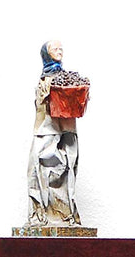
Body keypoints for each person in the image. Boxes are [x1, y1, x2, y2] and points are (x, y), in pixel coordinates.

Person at [27, 40, 87, 225]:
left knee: (67, 166)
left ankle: (65, 215)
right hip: (45, 129)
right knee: (37, 167)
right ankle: (41, 216)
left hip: (66, 129)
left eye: (61, 48)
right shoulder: (44, 80)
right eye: (55, 49)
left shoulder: (68, 78)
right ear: (46, 53)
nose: (60, 51)